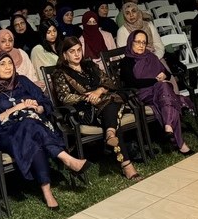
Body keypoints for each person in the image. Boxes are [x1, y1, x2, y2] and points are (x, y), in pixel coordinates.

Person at [0, 51, 89, 210]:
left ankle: (47, 191)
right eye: (2, 64)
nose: (8, 67)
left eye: (9, 63)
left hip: (34, 123)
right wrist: (17, 107)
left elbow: (46, 103)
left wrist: (37, 108)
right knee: (31, 127)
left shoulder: (22, 81)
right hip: (8, 133)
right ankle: (66, 159)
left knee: (32, 131)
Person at [51, 36, 142, 181]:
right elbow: (64, 97)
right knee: (112, 104)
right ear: (64, 55)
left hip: (104, 103)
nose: (77, 54)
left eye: (79, 50)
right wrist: (88, 97)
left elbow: (109, 82)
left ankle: (115, 142)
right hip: (84, 110)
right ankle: (122, 155)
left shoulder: (89, 65)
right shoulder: (60, 73)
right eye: (72, 51)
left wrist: (98, 91)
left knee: (110, 105)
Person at [119, 30, 193, 154]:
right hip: (143, 94)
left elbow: (168, 74)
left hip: (160, 92)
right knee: (165, 90)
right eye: (137, 42)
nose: (141, 45)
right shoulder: (126, 61)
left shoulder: (151, 56)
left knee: (164, 88)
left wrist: (164, 75)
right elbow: (133, 83)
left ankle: (169, 127)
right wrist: (155, 81)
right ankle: (179, 142)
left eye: (144, 42)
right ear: (131, 42)